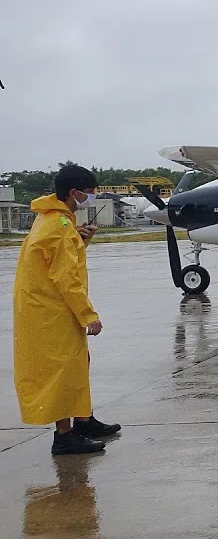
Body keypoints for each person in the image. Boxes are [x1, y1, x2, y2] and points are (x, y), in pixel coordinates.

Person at [13, 165, 121, 456]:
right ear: (73, 193)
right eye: (89, 193)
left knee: (77, 362)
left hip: (50, 307)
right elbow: (65, 278)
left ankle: (83, 419)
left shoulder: (54, 221)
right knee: (61, 369)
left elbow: (62, 264)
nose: (92, 197)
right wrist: (89, 315)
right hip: (51, 310)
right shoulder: (58, 228)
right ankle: (65, 435)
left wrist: (82, 240)